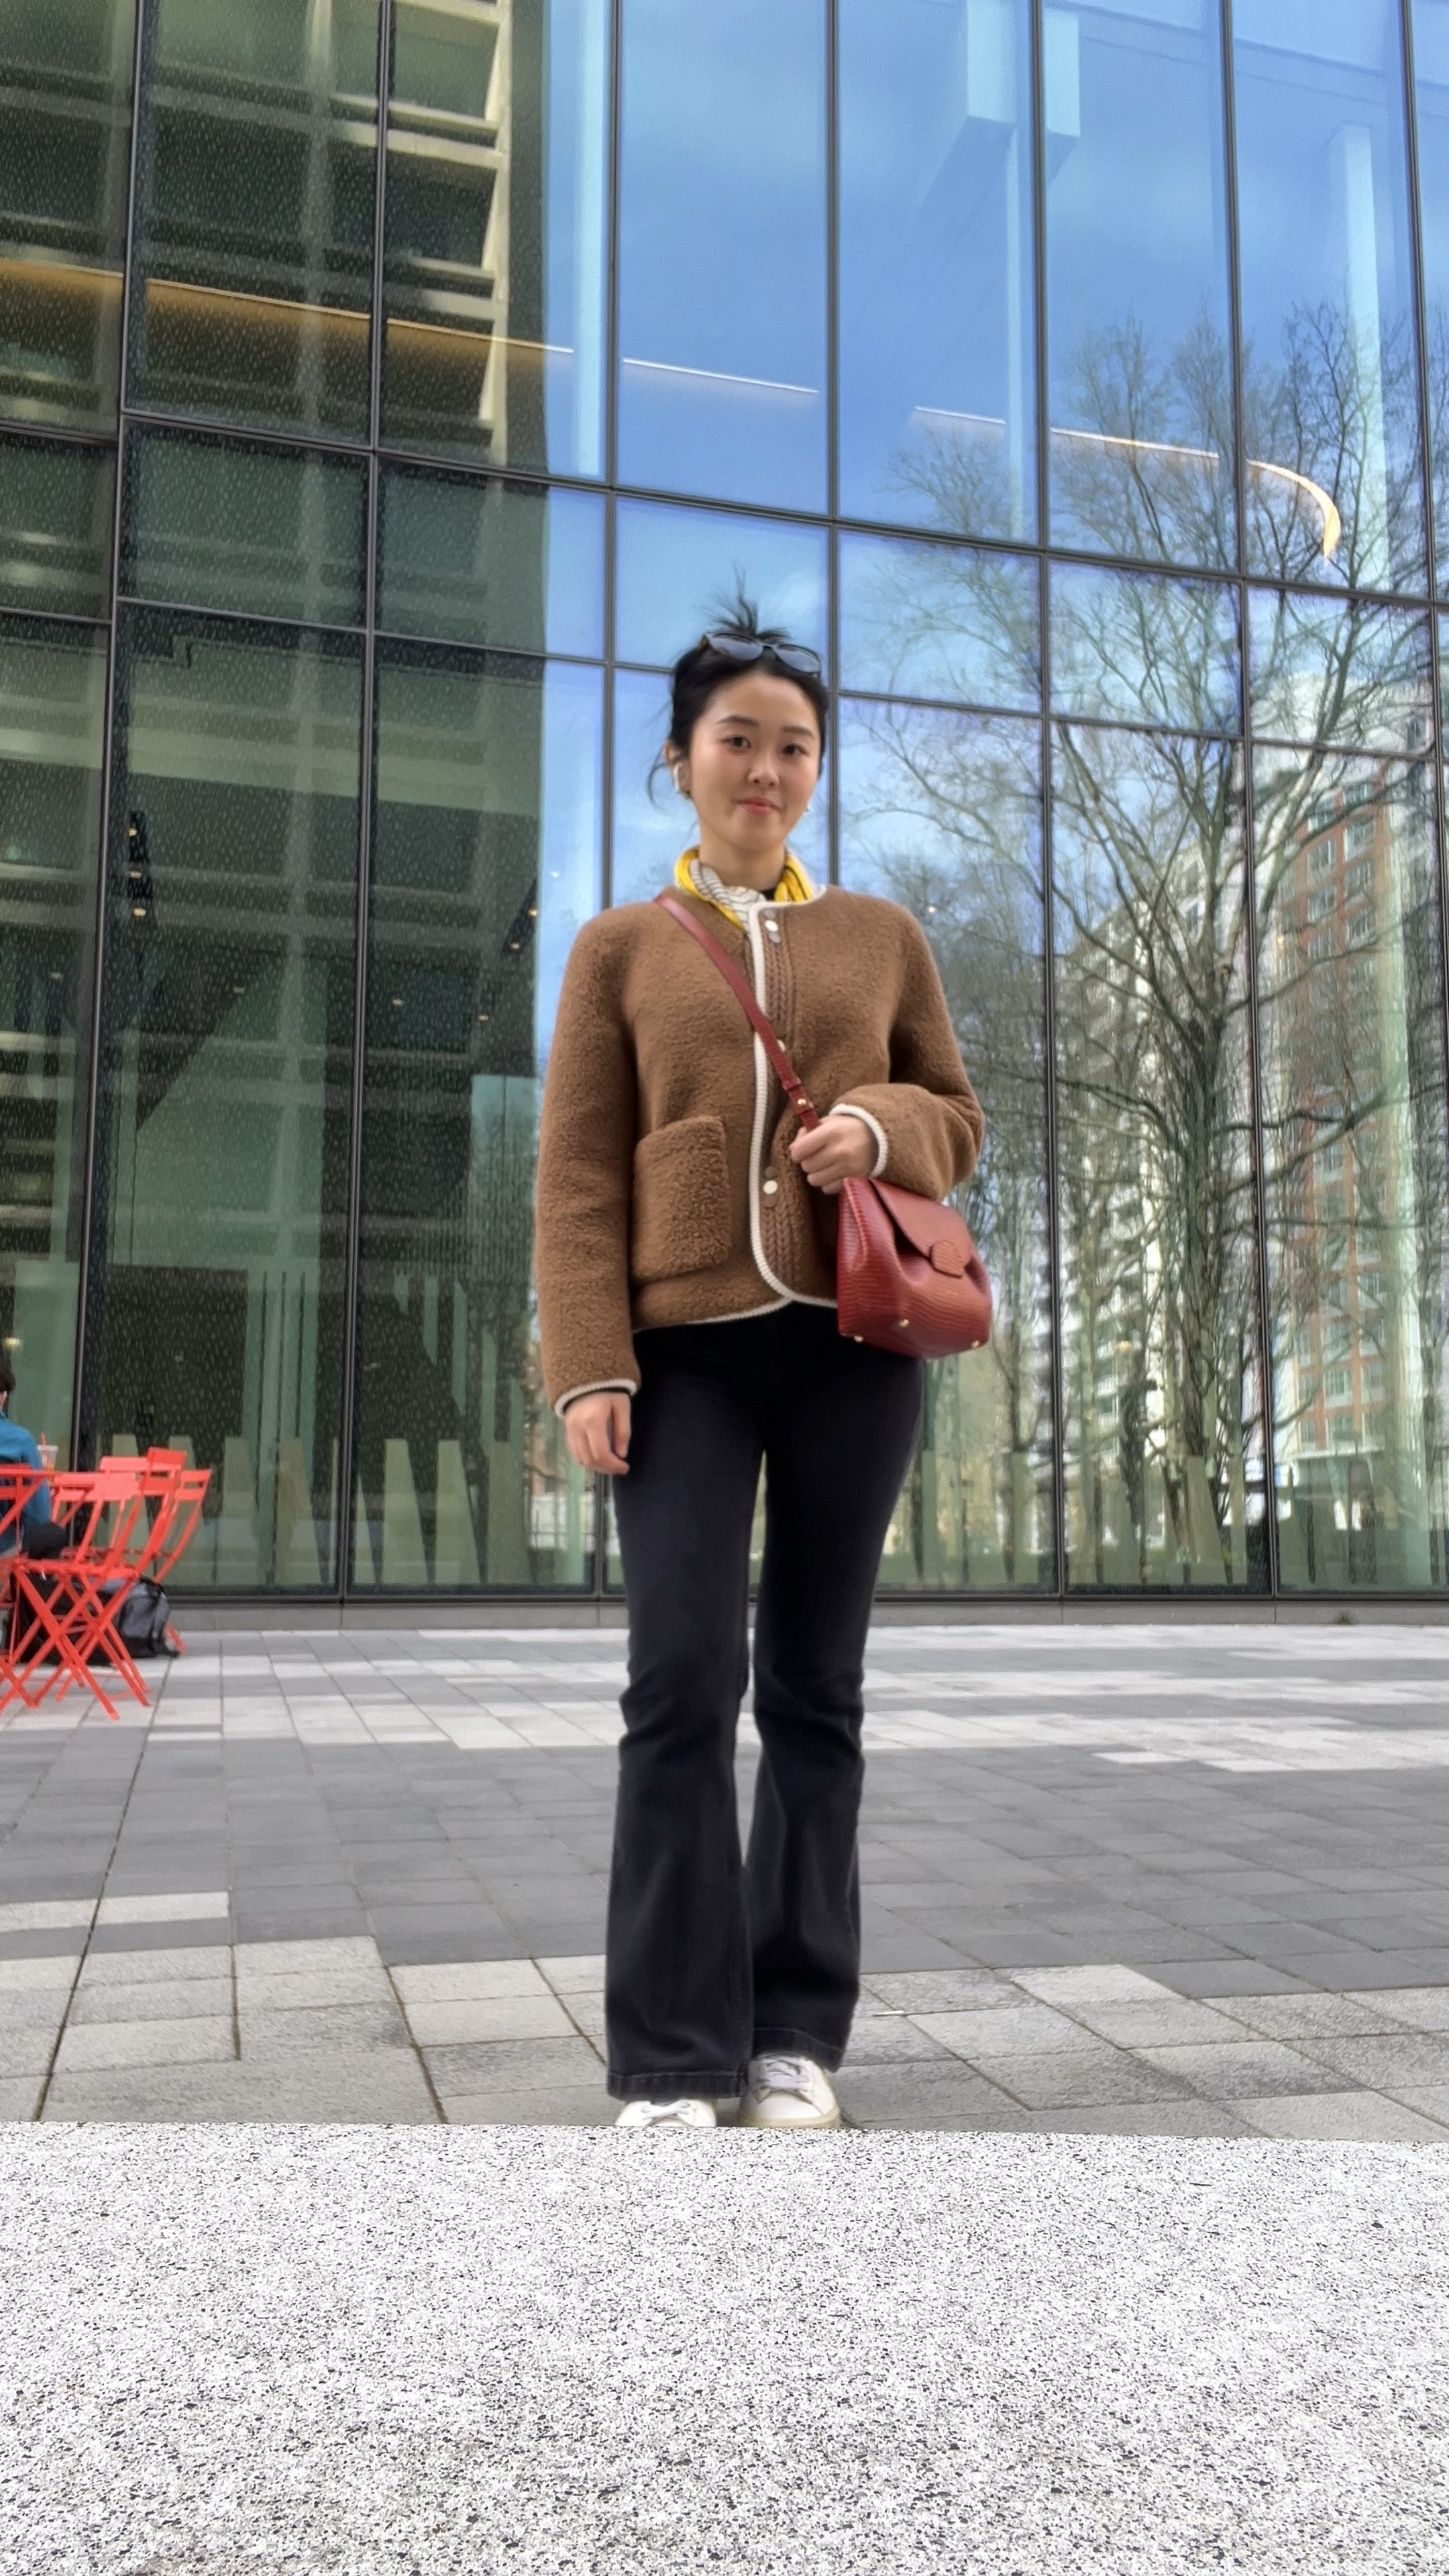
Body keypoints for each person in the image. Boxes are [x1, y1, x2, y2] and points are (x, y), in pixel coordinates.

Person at [535, 604, 983, 2131]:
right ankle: (669, 2049)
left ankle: (794, 2031)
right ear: (679, 757)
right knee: (677, 1679)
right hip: (684, 1361)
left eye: (794, 744)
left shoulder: (879, 934)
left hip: (855, 1346)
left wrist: (880, 1127)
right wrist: (588, 1361)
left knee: (813, 1683)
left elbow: (955, 1115)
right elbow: (578, 1175)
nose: (768, 766)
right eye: (739, 737)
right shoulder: (615, 949)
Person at [0, 1361, 61, 1554]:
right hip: (5, 1541)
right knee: (53, 1535)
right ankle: (26, 1584)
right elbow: (39, 1514)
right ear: (3, 1397)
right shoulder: (20, 1440)